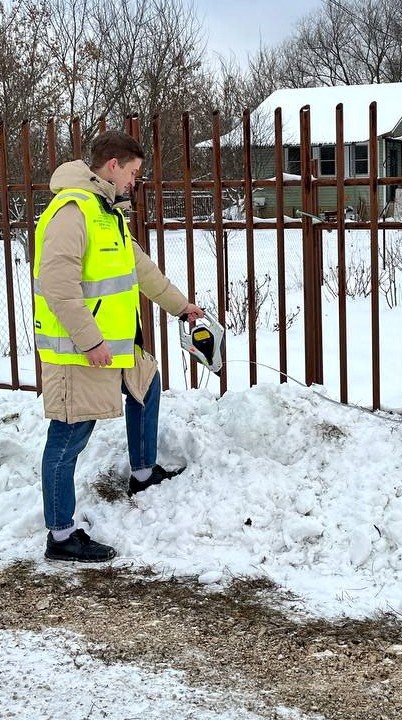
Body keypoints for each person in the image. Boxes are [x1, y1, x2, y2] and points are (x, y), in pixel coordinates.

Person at [33, 130, 204, 563]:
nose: (135, 182)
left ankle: (143, 473)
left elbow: (141, 270)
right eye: (133, 173)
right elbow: (57, 284)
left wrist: (181, 306)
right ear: (113, 165)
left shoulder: (108, 213)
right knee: (69, 436)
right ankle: (60, 535)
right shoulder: (72, 211)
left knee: (147, 383)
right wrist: (90, 340)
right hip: (78, 351)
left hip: (116, 345)